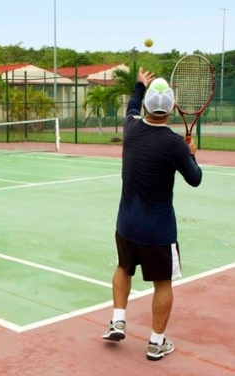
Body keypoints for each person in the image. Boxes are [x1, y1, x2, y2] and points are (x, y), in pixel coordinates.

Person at [101, 67, 203, 361]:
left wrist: (139, 85)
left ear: (146, 105)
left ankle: (118, 319)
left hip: (126, 225)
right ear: (171, 109)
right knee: (163, 283)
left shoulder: (130, 129)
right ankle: (157, 342)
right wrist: (192, 153)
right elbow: (195, 179)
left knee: (123, 267)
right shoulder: (174, 145)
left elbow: (132, 106)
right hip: (158, 231)